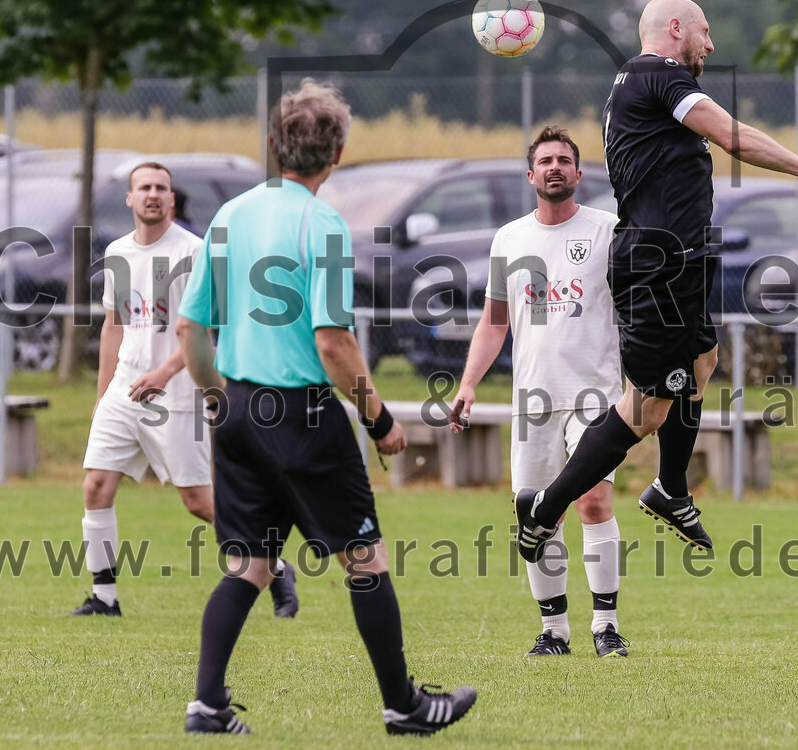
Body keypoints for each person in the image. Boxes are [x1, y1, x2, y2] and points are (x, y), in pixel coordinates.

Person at [176, 80, 477, 737]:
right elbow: (333, 343)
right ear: (336, 152)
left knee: (251, 565)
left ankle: (207, 703)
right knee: (364, 557)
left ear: (274, 144)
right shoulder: (325, 224)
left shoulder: (230, 215)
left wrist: (215, 397)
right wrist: (379, 418)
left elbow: (190, 328)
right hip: (302, 415)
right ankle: (403, 705)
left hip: (237, 406)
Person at [514, 0, 798, 561]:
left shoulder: (643, 83)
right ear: (676, 29)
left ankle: (671, 487)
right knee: (646, 407)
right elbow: (735, 137)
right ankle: (545, 508)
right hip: (656, 264)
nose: (711, 45)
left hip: (681, 261)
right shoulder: (656, 72)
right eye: (705, 32)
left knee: (701, 364)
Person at [70, 161, 298, 619]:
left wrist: (165, 372)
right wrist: (102, 397)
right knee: (95, 485)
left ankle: (276, 567)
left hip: (176, 393)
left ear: (172, 200)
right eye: (144, 187)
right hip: (124, 389)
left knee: (198, 503)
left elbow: (204, 328)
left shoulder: (194, 252)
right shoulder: (117, 252)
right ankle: (104, 599)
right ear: (129, 199)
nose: (153, 194)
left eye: (162, 188)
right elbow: (114, 328)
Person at [448, 127, 629, 659]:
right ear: (531, 176)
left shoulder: (609, 232)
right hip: (533, 401)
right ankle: (554, 632)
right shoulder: (509, 238)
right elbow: (494, 322)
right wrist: (468, 384)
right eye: (545, 160)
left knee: (593, 501)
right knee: (534, 511)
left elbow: (635, 312)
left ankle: (606, 627)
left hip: (596, 395)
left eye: (564, 160)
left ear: (578, 173)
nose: (554, 167)